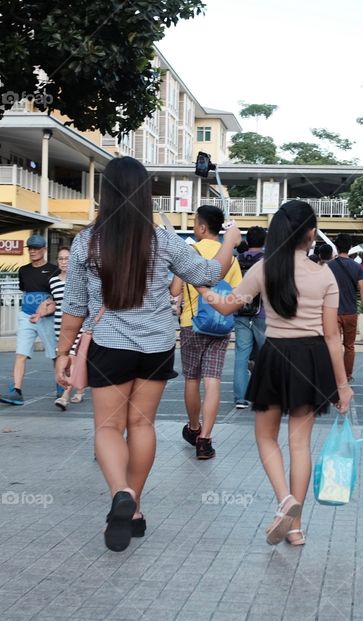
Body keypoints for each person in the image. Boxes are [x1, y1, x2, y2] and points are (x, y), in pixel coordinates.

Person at [55, 157, 240, 552]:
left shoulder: (88, 241)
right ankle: (133, 506)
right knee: (142, 426)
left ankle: (120, 492)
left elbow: (73, 306)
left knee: (108, 428)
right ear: (145, 193)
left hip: (108, 345)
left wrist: (63, 353)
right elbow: (208, 274)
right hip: (156, 348)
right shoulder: (164, 239)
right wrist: (230, 243)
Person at [199, 200, 352, 546]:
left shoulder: (265, 268)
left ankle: (285, 500)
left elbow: (228, 306)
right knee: (301, 443)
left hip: (277, 355)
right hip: (312, 358)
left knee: (266, 437)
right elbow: (332, 337)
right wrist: (342, 386)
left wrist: (205, 290)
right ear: (311, 234)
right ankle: (295, 526)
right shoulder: (324, 273)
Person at [171, 205, 242, 461]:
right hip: (220, 322)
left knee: (192, 378)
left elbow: (175, 290)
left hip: (192, 323)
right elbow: (237, 291)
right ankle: (206, 440)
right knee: (212, 379)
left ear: (202, 227)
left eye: (194, 223)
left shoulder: (191, 252)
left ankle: (193, 428)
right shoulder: (230, 255)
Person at [0, 235, 58, 406]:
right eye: (30, 248)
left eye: (36, 248)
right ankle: (16, 391)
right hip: (26, 316)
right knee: (20, 354)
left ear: (44, 249)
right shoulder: (23, 270)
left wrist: (45, 309)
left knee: (55, 355)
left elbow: (56, 296)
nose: (33, 251)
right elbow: (26, 291)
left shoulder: (54, 270)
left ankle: (61, 386)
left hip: (48, 318)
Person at [327, 233, 363, 382]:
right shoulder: (356, 267)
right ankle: (347, 375)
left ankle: (334, 374)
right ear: (350, 247)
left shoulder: (329, 266)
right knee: (350, 346)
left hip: (332, 312)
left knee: (333, 344)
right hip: (351, 312)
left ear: (336, 247)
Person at [233, 226, 267, 409]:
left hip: (240, 312)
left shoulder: (236, 260)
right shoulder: (268, 262)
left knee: (241, 355)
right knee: (268, 354)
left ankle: (241, 398)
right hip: (262, 314)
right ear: (264, 241)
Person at [49, 247, 84, 410]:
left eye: (67, 258)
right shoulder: (53, 281)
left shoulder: (79, 280)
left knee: (73, 358)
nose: (64, 262)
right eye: (61, 259)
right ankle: (80, 389)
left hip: (78, 325)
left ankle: (64, 396)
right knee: (69, 359)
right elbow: (54, 302)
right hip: (59, 325)